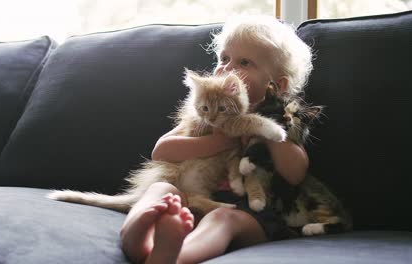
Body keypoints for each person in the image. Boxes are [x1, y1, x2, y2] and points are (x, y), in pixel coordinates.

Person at [120, 15, 313, 264]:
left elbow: (296, 173)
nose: (226, 68)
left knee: (222, 219)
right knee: (161, 189)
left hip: (250, 214)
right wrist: (218, 142)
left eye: (244, 62)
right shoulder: (207, 114)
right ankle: (135, 234)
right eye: (223, 59)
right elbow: (161, 151)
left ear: (277, 86)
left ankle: (175, 257)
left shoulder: (282, 122)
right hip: (194, 200)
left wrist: (269, 126)